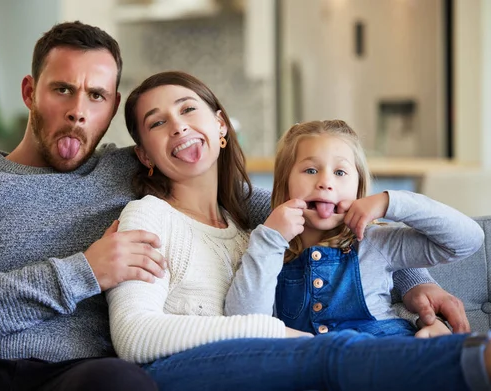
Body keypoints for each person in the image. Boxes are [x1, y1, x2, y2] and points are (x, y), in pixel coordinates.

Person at [0, 20, 473, 390]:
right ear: (29, 91)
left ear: (111, 106)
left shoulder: (139, 167)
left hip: (80, 372)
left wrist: (407, 277)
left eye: (96, 96)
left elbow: (301, 209)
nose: (77, 111)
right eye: (62, 89)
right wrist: (82, 272)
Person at [106, 70, 490, 391]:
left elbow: (359, 240)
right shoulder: (151, 216)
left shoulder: (251, 217)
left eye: (188, 109)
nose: (178, 126)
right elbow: (136, 336)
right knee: (336, 351)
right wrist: (283, 334)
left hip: (295, 358)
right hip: (212, 366)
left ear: (220, 124)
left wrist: (415, 281)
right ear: (144, 155)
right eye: (158, 122)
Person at [225, 120, 484, 338]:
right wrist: (271, 237)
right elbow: (245, 322)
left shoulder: (377, 243)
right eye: (311, 170)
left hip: (388, 356)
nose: (325, 182)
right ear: (284, 185)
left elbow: (468, 239)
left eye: (340, 172)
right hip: (318, 368)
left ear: (359, 188)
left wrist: (389, 202)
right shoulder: (270, 254)